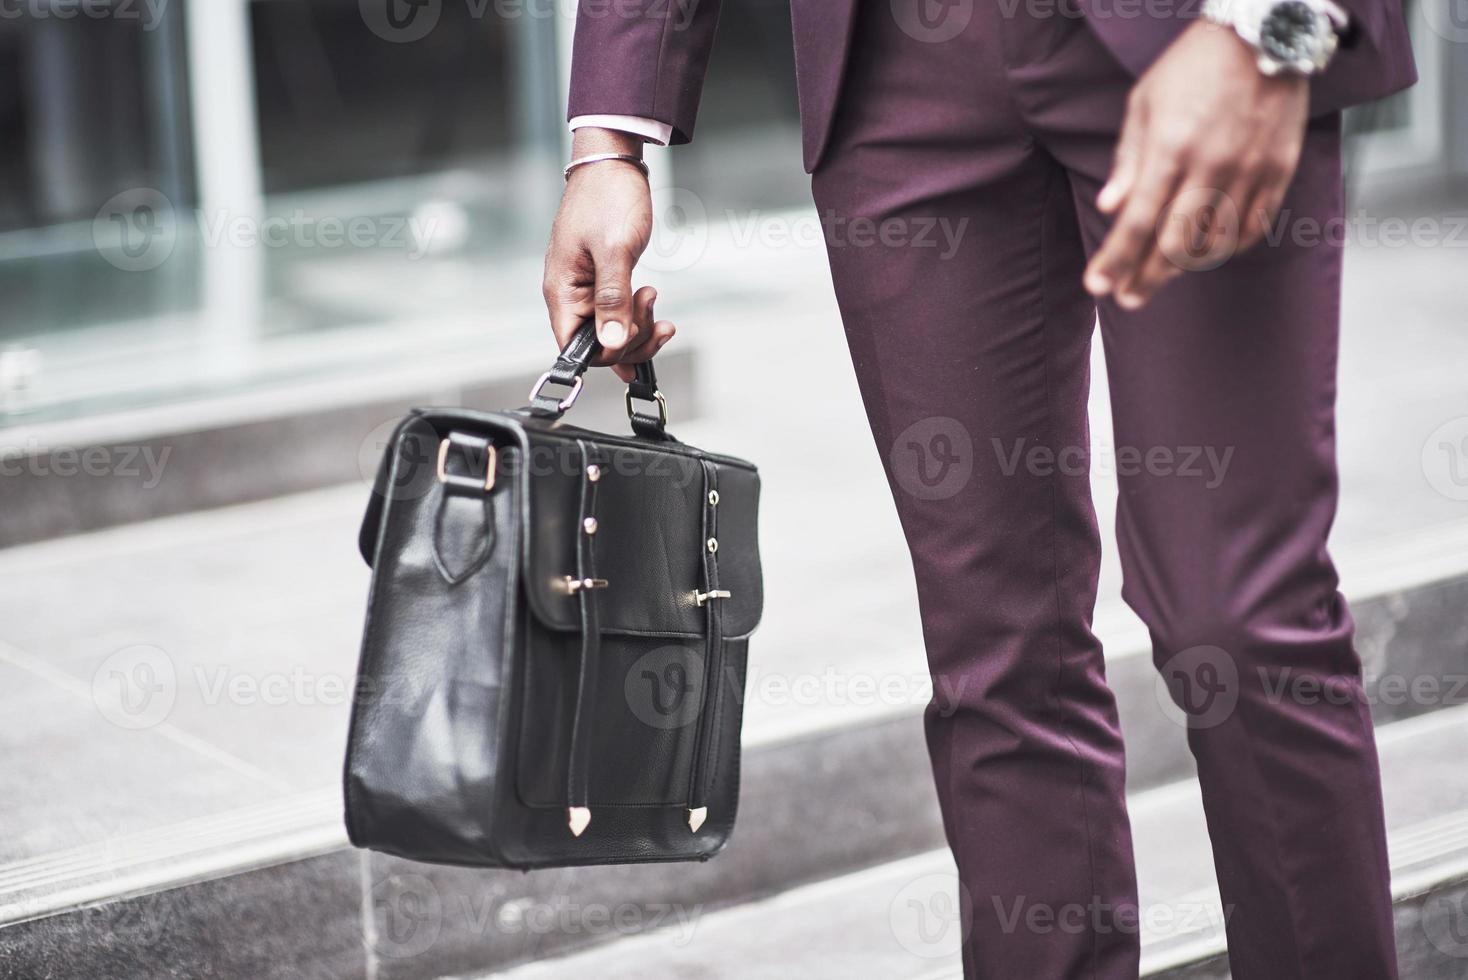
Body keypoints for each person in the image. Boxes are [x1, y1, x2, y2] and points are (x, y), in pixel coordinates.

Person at [541, 0, 1416, 975]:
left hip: (1192, 34)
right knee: (992, 648)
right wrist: (609, 134)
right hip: (897, 78)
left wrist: (1267, 28)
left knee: (1237, 614)